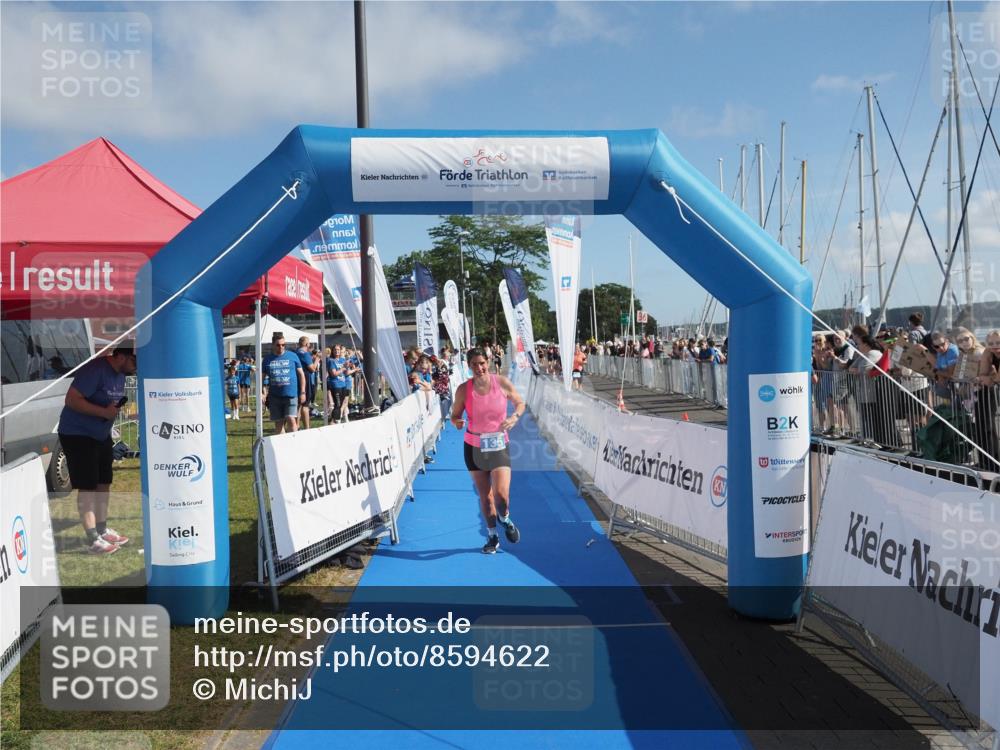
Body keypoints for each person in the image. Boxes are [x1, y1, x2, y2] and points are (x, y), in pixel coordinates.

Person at [57, 345, 137, 555]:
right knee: (88, 485)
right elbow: (71, 399)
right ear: (120, 356)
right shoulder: (95, 370)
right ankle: (93, 538)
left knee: (104, 483)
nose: (136, 367)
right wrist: (103, 411)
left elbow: (111, 407)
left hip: (101, 435)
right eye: (134, 361)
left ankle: (102, 529)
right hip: (78, 434)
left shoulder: (120, 375)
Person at [450, 347, 525, 554]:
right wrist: (457, 421)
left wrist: (514, 418)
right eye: (474, 364)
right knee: (486, 496)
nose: (479, 368)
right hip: (474, 447)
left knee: (501, 496)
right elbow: (454, 415)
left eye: (482, 363)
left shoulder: (501, 382)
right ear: (469, 366)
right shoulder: (464, 389)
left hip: (499, 444)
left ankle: (505, 518)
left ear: (488, 362)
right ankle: (492, 536)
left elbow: (520, 403)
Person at [262, 332, 305, 434]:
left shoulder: (293, 356)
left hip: (291, 395)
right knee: (279, 423)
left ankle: (294, 443)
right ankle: (281, 446)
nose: (281, 347)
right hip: (275, 396)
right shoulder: (267, 359)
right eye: (278, 345)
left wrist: (303, 392)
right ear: (273, 345)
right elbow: (261, 378)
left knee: (291, 419)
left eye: (283, 345)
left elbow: (301, 375)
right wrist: (262, 393)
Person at [295, 336, 317, 429]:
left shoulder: (295, 352)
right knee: (305, 404)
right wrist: (317, 359)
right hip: (305, 379)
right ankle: (307, 427)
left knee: (298, 405)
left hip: (296, 379)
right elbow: (312, 369)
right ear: (307, 344)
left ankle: (296, 425)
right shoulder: (305, 353)